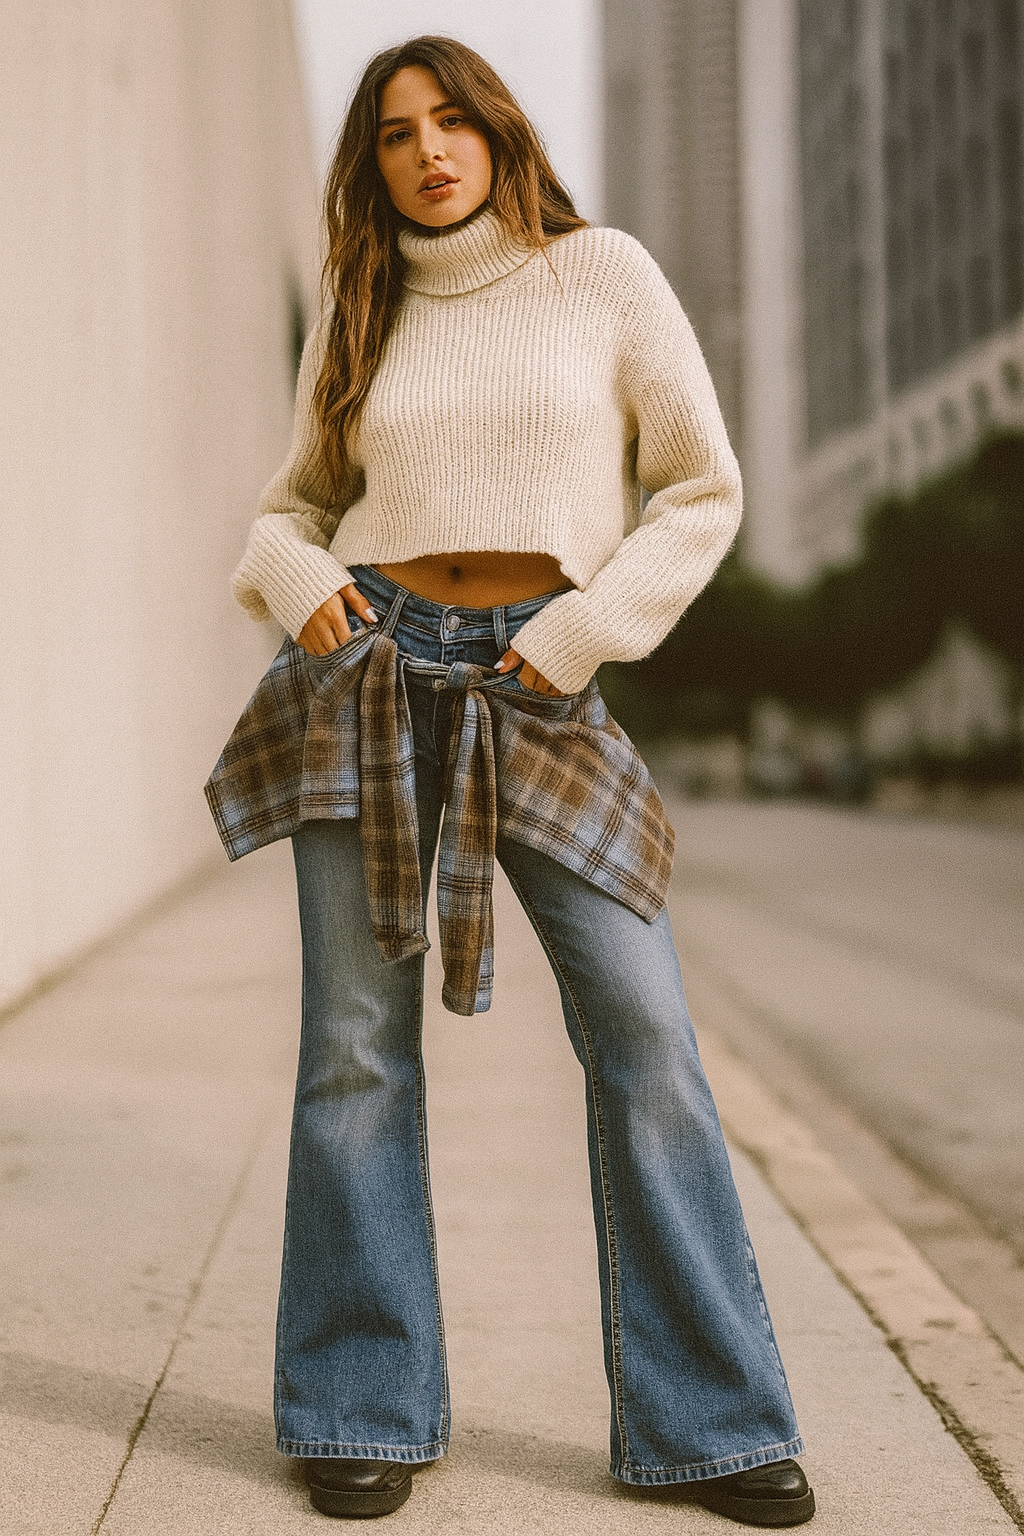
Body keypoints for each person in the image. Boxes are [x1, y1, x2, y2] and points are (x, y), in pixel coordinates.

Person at [206, 35, 815, 1527]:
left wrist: (585, 631)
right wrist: (297, 579)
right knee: (355, 1050)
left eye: (451, 120)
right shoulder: (361, 301)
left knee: (647, 1033)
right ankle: (358, 1409)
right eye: (395, 131)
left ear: (497, 129)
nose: (428, 150)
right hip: (366, 667)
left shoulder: (601, 275)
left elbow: (699, 487)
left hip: (541, 674)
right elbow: (294, 506)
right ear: (372, 162)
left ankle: (715, 1425)